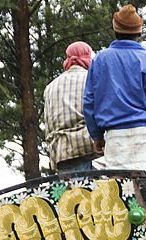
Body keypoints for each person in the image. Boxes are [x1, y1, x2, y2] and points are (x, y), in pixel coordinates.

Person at [83, 5, 146, 174]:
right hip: (144, 138)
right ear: (139, 33)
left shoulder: (100, 60)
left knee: (118, 195)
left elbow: (89, 101)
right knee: (145, 196)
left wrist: (97, 136)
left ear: (115, 30)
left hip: (114, 137)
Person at [43, 41, 98, 173]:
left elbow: (48, 125)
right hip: (89, 150)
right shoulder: (92, 79)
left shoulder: (50, 87)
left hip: (62, 154)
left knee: (73, 193)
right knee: (95, 193)